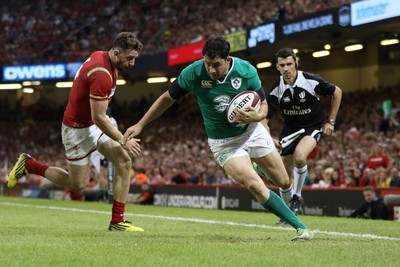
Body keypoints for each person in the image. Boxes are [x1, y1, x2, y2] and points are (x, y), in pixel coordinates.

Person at [124, 35, 313, 241]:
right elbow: (167, 98)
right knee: (255, 184)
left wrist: (258, 116)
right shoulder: (194, 72)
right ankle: (300, 227)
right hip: (224, 144)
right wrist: (140, 124)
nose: (211, 70)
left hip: (252, 131)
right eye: (208, 63)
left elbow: (264, 103)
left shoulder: (246, 70)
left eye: (216, 65)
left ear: (227, 59)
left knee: (283, 180)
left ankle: (259, 168)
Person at [8, 32, 144, 232]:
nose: (132, 63)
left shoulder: (104, 58)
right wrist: (122, 139)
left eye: (134, 59)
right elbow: (98, 116)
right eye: (129, 58)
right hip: (77, 129)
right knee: (76, 185)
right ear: (116, 53)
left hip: (93, 124)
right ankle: (29, 164)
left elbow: (98, 117)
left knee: (123, 161)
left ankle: (117, 221)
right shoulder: (101, 74)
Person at [265, 47, 342, 223]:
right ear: (277, 67)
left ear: (296, 64)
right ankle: (287, 215)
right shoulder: (277, 87)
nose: (286, 68)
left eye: (289, 64)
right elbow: (264, 116)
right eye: (282, 65)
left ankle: (297, 197)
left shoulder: (310, 80)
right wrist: (269, 137)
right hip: (289, 129)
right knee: (283, 177)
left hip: (312, 127)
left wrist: (330, 121)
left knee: (300, 157)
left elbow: (337, 91)